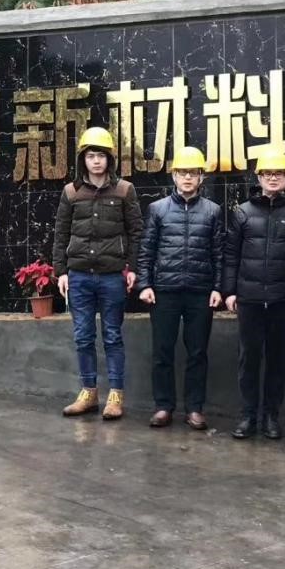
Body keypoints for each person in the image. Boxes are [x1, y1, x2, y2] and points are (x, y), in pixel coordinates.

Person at [53, 126, 144, 421]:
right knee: (83, 337)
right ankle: (88, 392)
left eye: (101, 156)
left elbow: (136, 232)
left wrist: (132, 268)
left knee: (113, 336)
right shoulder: (71, 192)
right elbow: (61, 233)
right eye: (91, 155)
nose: (96, 161)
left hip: (112, 276)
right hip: (79, 275)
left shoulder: (124, 190)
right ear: (83, 159)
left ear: (110, 159)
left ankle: (115, 395)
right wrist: (61, 272)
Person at [222, 148, 285, 440]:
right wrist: (230, 291)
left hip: (283, 300)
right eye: (267, 174)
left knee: (277, 361)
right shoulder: (243, 212)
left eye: (278, 174)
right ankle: (248, 416)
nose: (273, 178)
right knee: (248, 360)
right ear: (258, 178)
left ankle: (271, 416)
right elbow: (231, 255)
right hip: (250, 299)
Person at [139, 146, 225, 430]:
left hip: (200, 292)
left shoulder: (212, 211)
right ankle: (163, 406)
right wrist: (145, 284)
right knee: (162, 351)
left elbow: (219, 253)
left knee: (197, 352)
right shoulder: (158, 209)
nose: (188, 177)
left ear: (201, 177)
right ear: (174, 175)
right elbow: (146, 250)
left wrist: (218, 288)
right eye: (182, 172)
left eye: (193, 172)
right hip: (164, 291)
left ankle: (195, 408)